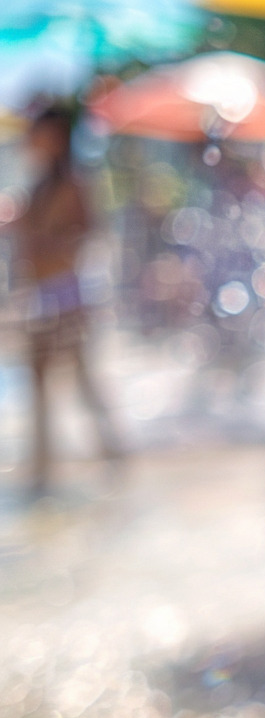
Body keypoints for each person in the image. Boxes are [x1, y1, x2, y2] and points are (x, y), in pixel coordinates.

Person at [9, 104, 120, 496]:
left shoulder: (71, 182)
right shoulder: (39, 185)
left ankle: (106, 460)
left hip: (66, 296)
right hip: (43, 297)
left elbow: (87, 236)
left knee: (79, 381)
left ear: (55, 137)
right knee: (47, 383)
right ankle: (45, 472)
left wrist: (44, 244)